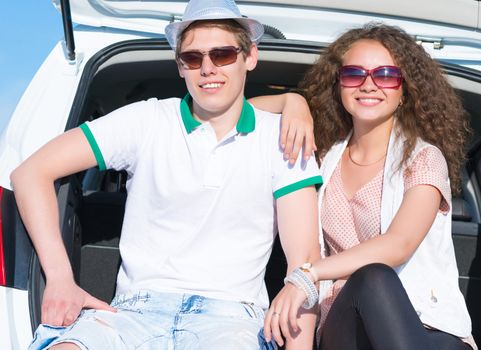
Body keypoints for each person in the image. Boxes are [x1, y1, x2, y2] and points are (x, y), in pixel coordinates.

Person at [11, 0, 323, 349]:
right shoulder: (146, 121)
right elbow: (30, 173)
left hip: (232, 321)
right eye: (193, 58)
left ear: (249, 57)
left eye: (222, 55)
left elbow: (304, 266)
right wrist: (59, 277)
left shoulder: (284, 138)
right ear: (180, 66)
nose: (207, 68)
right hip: (132, 314)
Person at [251, 23, 476, 349]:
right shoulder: (322, 160)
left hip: (422, 329)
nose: (369, 85)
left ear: (404, 89)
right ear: (339, 84)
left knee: (374, 276)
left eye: (385, 75)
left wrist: (309, 275)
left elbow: (399, 244)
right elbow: (232, 113)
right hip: (345, 328)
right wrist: (293, 103)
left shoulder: (424, 159)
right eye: (354, 74)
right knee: (369, 278)